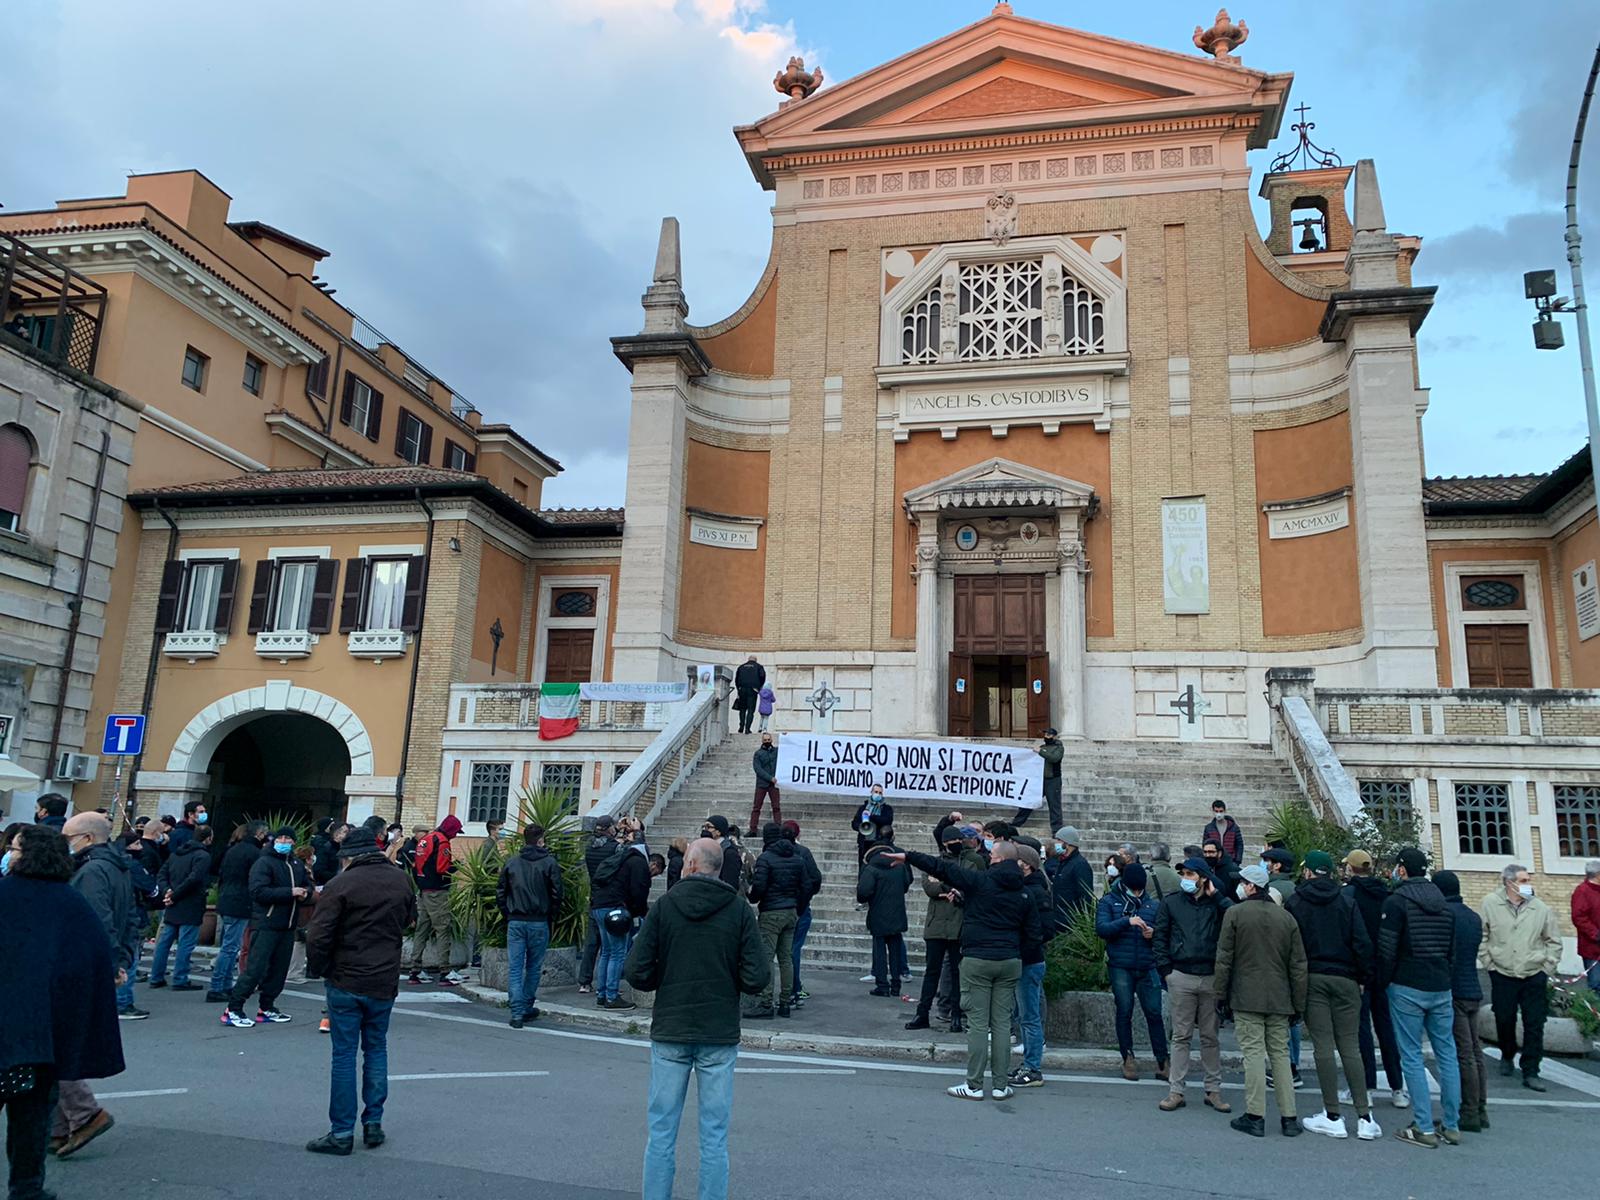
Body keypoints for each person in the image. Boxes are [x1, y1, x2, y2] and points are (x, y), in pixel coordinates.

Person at [624, 838, 768, 1200]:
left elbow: (637, 971)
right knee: (715, 1137)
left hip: (671, 1027)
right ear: (718, 869)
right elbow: (757, 978)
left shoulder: (665, 906)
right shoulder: (738, 911)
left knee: (661, 1133)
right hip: (718, 1030)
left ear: (688, 865)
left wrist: (666, 975)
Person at [0, 824, 125, 1189]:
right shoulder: (71, 904)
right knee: (31, 1118)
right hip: (41, 1040)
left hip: (5, 1030)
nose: (10, 853)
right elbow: (91, 960)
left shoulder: (4, 895)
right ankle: (26, 1189)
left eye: (16, 848)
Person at [888, 842, 1042, 1101]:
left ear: (997, 860)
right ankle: (1001, 1085)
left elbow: (942, 868)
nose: (989, 855)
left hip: (978, 959)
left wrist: (909, 856)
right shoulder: (1024, 892)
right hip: (1010, 961)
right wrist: (1014, 952)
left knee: (979, 1025)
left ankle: (974, 1084)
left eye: (992, 854)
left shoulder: (979, 882)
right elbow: (1034, 934)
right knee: (1002, 1024)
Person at [303, 825, 416, 1156]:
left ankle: (341, 1132)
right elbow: (411, 920)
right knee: (377, 1050)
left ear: (348, 858)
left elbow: (318, 935)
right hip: (383, 979)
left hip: (346, 979)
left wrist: (320, 968)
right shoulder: (400, 880)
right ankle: (373, 1124)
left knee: (344, 1056)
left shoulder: (341, 885)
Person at [56, 812, 138, 1156]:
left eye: (68, 837)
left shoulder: (90, 871)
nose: (64, 844)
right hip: (96, 964)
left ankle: (82, 1114)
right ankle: (58, 1127)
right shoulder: (117, 867)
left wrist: (113, 962)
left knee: (50, 1045)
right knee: (55, 1044)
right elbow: (131, 917)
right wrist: (122, 960)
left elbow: (97, 920)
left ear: (87, 839)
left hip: (79, 966)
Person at [1284, 850, 1379, 1140]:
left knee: (1323, 1045)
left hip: (1313, 977)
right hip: (1347, 978)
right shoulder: (1346, 900)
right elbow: (1362, 943)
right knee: (1350, 1045)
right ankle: (1365, 1116)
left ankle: (1333, 1114)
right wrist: (1363, 977)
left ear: (1309, 872)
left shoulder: (1296, 901)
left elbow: (1291, 946)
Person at [1377, 847, 1462, 1148]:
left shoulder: (1397, 902)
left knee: (1411, 1055)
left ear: (1401, 869)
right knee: (1447, 1054)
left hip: (1407, 984)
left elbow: (1387, 949)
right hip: (1440, 984)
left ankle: (1424, 1127)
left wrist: (1381, 982)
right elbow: (1452, 950)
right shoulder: (1444, 904)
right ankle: (1451, 1125)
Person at [1215, 864, 1306, 1138]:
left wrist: (1220, 995)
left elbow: (1224, 959)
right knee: (1280, 1055)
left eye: (1242, 882)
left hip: (1246, 995)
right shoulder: (1286, 918)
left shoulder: (1235, 914)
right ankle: (1289, 1117)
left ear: (1252, 886)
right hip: (1280, 996)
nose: (1239, 886)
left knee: (1253, 1054)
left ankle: (1255, 1115)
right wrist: (1298, 1004)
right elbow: (1298, 965)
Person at [1153, 856, 1232, 1114]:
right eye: (1184, 874)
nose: (1186, 878)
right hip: (1181, 975)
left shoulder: (1216, 903)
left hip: (1210, 975)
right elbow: (1160, 936)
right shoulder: (1172, 901)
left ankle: (1213, 1090)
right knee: (1181, 1036)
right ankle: (1176, 1090)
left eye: (1190, 874)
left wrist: (1217, 896)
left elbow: (1235, 917)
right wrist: (1166, 971)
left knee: (1210, 1036)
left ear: (1203, 878)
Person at [1479, 861, 1563, 1093]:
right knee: (1504, 1018)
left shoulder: (1540, 908)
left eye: (1528, 880)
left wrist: (1547, 967)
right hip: (1502, 973)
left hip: (1533, 973)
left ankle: (1531, 1070)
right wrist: (1489, 963)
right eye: (1523, 881)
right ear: (1509, 883)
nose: (1528, 885)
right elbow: (1482, 935)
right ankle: (1507, 1054)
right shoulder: (1490, 903)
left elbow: (1553, 941)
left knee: (1535, 1023)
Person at [223, 826, 311, 1028]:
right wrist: (289, 892)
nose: (284, 842)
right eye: (280, 838)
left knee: (279, 971)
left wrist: (306, 892)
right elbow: (258, 891)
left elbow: (307, 885)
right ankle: (234, 1008)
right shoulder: (264, 862)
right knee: (255, 969)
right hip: (266, 923)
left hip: (288, 925)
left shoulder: (296, 864)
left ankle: (267, 1007)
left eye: (288, 839)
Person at [1343, 848, 1407, 1109]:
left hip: (1360, 971)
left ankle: (1366, 1087)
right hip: (1384, 972)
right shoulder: (1387, 895)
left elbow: (1352, 937)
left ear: (1351, 868)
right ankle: (1397, 1088)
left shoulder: (1349, 895)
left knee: (1361, 1031)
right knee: (1386, 1029)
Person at [1097, 861, 1168, 1083]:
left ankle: (1162, 1060)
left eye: (1140, 889)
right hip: (1121, 965)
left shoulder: (1153, 905)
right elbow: (1102, 929)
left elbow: (1166, 935)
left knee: (1154, 1013)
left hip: (1148, 965)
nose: (1137, 893)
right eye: (1133, 889)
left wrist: (1153, 933)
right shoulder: (1109, 901)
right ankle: (1127, 1057)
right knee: (1124, 1011)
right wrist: (1126, 921)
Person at [1433, 870, 1488, 1133]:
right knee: (1475, 1051)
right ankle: (1480, 1107)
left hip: (1454, 990)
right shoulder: (1472, 917)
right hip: (1473, 987)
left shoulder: (1447, 917)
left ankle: (1467, 1112)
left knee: (1463, 1052)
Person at [907, 825, 975, 1033]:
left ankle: (955, 1014)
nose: (956, 844)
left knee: (957, 973)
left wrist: (944, 885)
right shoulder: (934, 864)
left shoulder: (970, 864)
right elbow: (930, 887)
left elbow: (968, 885)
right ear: (944, 843)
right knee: (932, 972)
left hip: (957, 924)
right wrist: (948, 887)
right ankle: (922, 1012)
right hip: (936, 925)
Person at [497, 822, 563, 1028]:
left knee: (516, 968)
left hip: (516, 920)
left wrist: (508, 912)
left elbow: (501, 892)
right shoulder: (549, 863)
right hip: (539, 920)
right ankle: (525, 1005)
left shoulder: (512, 862)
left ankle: (517, 1011)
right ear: (541, 840)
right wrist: (551, 915)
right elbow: (557, 893)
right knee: (534, 967)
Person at [745, 822, 808, 1017]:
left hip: (771, 911)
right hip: (790, 911)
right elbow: (807, 885)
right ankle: (785, 1002)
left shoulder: (766, 858)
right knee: (786, 958)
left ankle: (765, 1002)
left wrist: (752, 897)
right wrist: (798, 906)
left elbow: (759, 887)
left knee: (767, 957)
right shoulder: (797, 858)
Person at [591, 821, 653, 1011]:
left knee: (607, 952)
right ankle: (611, 996)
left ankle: (602, 994)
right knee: (618, 953)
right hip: (616, 909)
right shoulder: (638, 862)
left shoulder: (619, 857)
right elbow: (638, 892)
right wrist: (637, 912)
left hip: (599, 906)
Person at [1010, 844, 1055, 1088]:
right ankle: (1028, 1064)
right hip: (1027, 959)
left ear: (1025, 864)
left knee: (1030, 1017)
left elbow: (1046, 930)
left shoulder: (1035, 891)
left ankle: (1033, 1068)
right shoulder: (1030, 887)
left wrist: (1024, 947)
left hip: (1029, 961)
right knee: (1026, 1015)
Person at [148, 822, 213, 992]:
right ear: (208, 839)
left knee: (164, 942)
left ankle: (156, 976)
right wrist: (174, 895)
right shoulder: (203, 856)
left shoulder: (176, 853)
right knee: (185, 943)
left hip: (173, 903)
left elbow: (162, 874)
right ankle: (180, 978)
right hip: (190, 903)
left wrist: (167, 892)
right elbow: (194, 879)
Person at [209, 821, 265, 1002]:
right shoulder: (255, 853)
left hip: (227, 898)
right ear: (259, 834)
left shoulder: (232, 849)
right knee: (230, 948)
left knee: (230, 946)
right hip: (240, 902)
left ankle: (225, 985)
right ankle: (217, 987)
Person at [406, 814, 464, 986]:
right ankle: (445, 972)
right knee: (442, 929)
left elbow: (417, 866)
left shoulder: (426, 839)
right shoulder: (443, 842)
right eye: (456, 832)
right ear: (451, 830)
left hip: (423, 890)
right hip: (437, 892)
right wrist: (457, 866)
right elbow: (442, 868)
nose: (455, 835)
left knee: (422, 929)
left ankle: (414, 971)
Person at [857, 844, 912, 999]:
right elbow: (906, 884)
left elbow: (863, 892)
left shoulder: (871, 870)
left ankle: (882, 984)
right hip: (897, 913)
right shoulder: (899, 868)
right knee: (895, 949)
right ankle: (896, 984)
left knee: (879, 951)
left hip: (878, 914)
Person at [779, 821, 821, 1008]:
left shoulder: (771, 852)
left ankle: (787, 989)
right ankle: (794, 989)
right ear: (798, 835)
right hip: (798, 907)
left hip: (777, 906)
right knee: (793, 949)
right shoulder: (803, 853)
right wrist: (804, 901)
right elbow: (815, 879)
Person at [1014, 727, 1064, 830]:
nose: (1046, 737)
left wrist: (1040, 751)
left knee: (1054, 805)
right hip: (1039, 780)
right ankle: (1016, 823)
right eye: (1045, 734)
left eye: (1049, 735)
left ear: (1054, 737)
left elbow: (1054, 758)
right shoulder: (1042, 747)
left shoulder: (1059, 748)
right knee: (1028, 801)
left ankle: (1056, 829)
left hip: (1053, 780)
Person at [1046, 825, 1095, 921]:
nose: (1056, 843)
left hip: (1071, 920)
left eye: (1058, 840)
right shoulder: (1063, 862)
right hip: (1059, 917)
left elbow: (1085, 895)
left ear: (1066, 843)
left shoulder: (1079, 865)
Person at [701, 816, 746, 891]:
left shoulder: (729, 853)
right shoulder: (707, 848)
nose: (704, 830)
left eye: (708, 827)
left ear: (718, 831)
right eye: (704, 827)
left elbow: (730, 884)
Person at [1575, 859, 1600, 991]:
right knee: (1596, 984)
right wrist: (1596, 935)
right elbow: (1579, 918)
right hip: (1593, 949)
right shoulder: (1582, 892)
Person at [749, 732, 781, 836]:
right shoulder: (758, 754)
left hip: (774, 784)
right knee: (756, 807)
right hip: (762, 784)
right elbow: (758, 769)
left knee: (776, 807)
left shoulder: (776, 751)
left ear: (772, 740)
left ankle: (778, 828)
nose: (767, 742)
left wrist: (786, 737)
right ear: (762, 741)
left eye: (769, 740)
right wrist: (770, 778)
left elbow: (787, 751)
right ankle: (753, 829)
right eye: (765, 740)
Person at [852, 784, 894, 863]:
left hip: (879, 842)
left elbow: (887, 821)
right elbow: (854, 823)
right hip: (864, 842)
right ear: (871, 792)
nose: (878, 794)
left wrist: (871, 816)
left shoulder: (887, 809)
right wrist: (861, 827)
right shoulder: (863, 808)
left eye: (880, 793)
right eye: (876, 792)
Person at [1202, 800, 1243, 865]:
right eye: (1216, 811)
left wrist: (1238, 860)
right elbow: (1205, 844)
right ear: (1213, 811)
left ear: (1225, 811)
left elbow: (1239, 845)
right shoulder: (1208, 828)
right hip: (1214, 860)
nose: (1219, 814)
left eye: (1221, 811)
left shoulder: (1234, 827)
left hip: (1230, 860)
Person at [733, 654, 765, 735]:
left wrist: (739, 688)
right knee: (751, 710)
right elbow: (762, 677)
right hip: (753, 690)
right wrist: (758, 688)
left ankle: (741, 727)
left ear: (748, 659)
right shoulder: (759, 667)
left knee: (742, 709)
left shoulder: (741, 667)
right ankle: (747, 729)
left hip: (742, 689)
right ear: (756, 660)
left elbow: (736, 679)